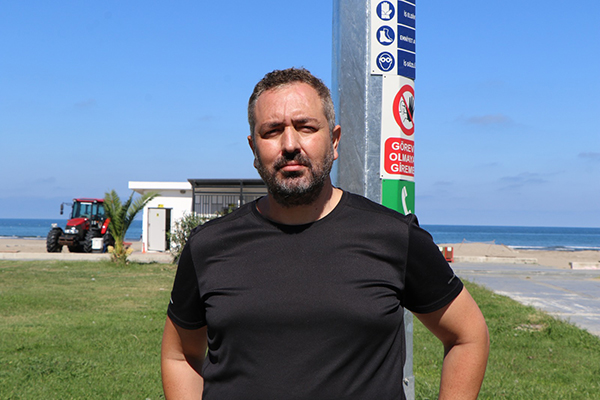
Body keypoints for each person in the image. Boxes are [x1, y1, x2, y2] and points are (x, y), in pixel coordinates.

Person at [161, 67, 490, 400]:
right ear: (253, 149)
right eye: (272, 131)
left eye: (306, 127)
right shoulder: (208, 247)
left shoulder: (394, 237)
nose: (290, 145)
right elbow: (180, 356)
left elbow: (468, 336)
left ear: (334, 141)